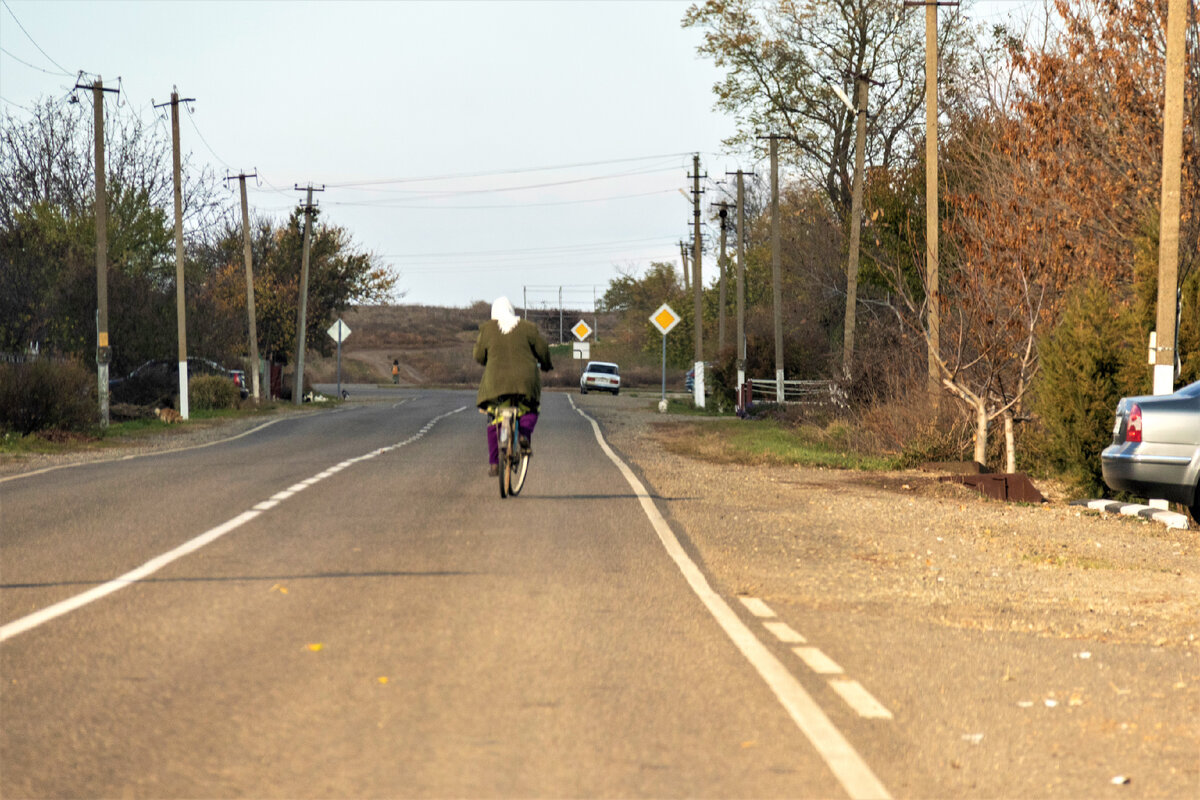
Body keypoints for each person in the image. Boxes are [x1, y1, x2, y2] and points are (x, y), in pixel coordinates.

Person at [474, 297, 553, 477]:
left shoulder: (487, 329)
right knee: (531, 408)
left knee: (494, 417)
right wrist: (546, 364)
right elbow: (543, 351)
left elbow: (478, 356)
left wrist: (488, 359)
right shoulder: (528, 328)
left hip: (496, 384)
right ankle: (524, 434)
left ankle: (494, 464)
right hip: (525, 381)